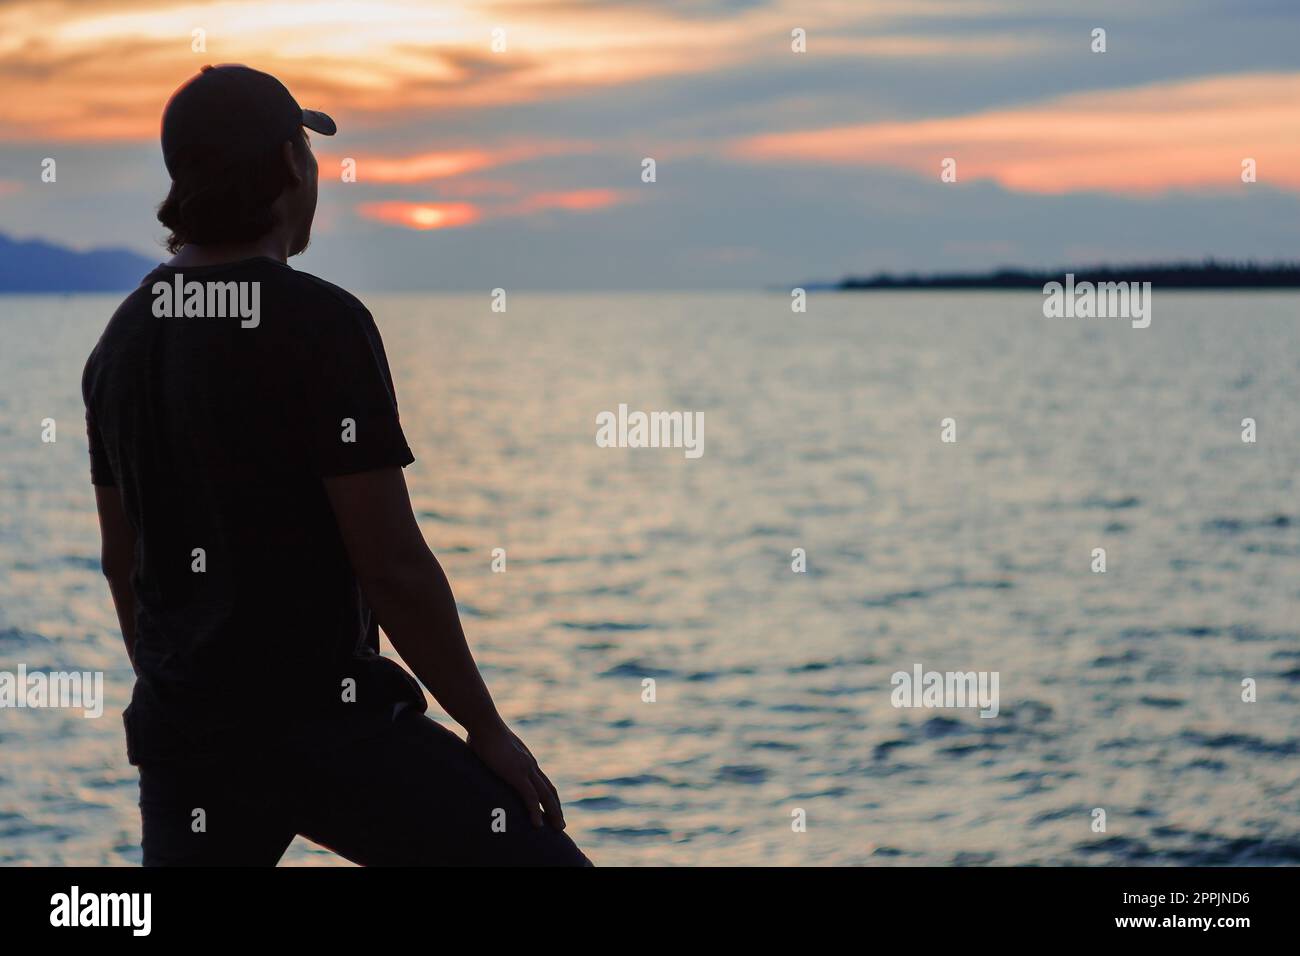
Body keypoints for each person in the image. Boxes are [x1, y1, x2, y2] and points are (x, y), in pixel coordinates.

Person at [81, 64, 590, 866]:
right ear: (291, 164)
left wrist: (181, 690)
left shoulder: (122, 339)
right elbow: (391, 566)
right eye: (308, 154)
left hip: (187, 737)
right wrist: (485, 727)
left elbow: (123, 562)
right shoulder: (319, 325)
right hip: (329, 728)